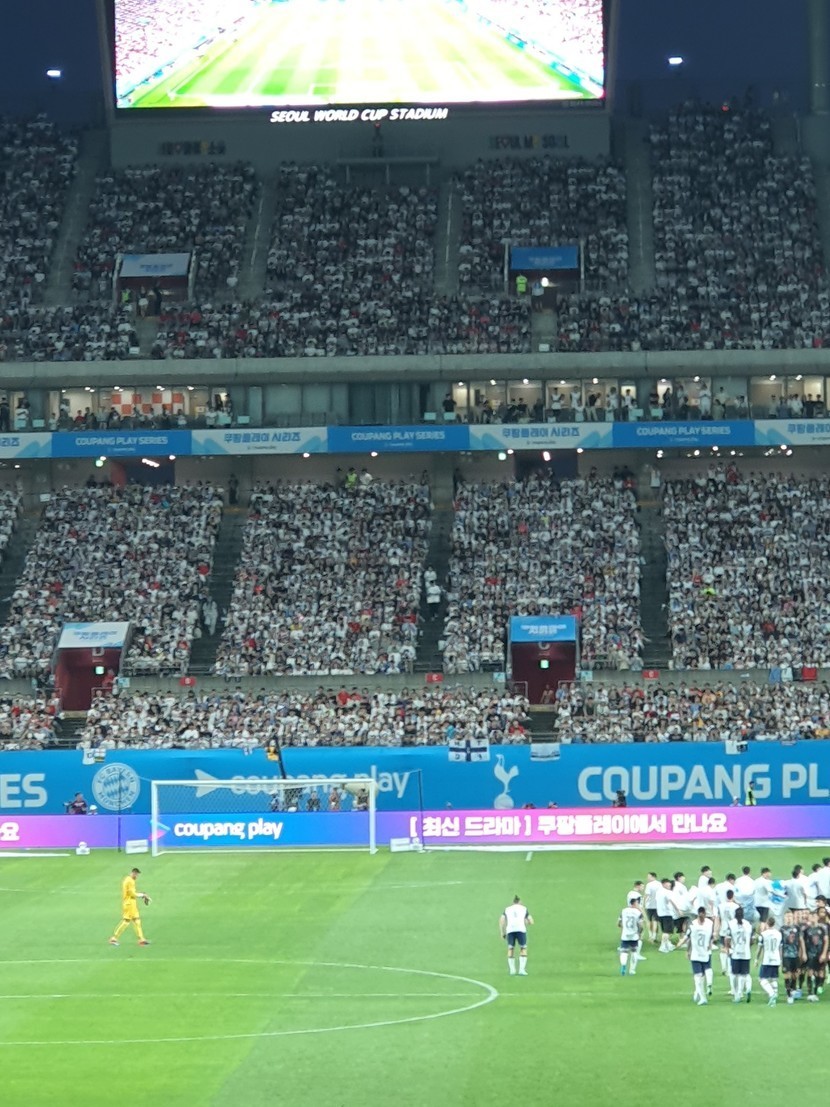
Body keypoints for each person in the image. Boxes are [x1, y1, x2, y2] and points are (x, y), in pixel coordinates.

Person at [109, 867, 151, 947]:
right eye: (137, 875)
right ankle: (114, 938)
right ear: (134, 873)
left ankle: (141, 939)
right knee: (126, 921)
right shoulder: (130, 881)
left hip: (131, 903)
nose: (137, 876)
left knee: (137, 921)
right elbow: (132, 894)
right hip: (129, 904)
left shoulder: (128, 880)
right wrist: (142, 895)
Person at [681, 906, 714, 1005]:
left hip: (697, 953)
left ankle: (702, 995)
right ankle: (707, 985)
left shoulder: (693, 925)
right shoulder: (709, 923)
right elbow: (712, 936)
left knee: (698, 975)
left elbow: (688, 938)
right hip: (705, 951)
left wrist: (686, 949)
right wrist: (710, 943)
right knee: (706, 970)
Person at [726, 906, 754, 1003]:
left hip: (735, 953)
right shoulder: (748, 924)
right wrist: (747, 946)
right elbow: (752, 940)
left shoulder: (731, 924)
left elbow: (727, 939)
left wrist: (729, 948)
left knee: (734, 974)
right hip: (746, 953)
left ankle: (737, 994)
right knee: (744, 974)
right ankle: (747, 988)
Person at [500, 894, 533, 976]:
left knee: (510, 948)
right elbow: (531, 921)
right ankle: (522, 970)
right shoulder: (524, 908)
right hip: (521, 930)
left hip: (510, 930)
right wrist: (526, 922)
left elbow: (502, 920)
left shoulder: (507, 909)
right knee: (523, 948)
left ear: (513, 902)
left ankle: (512, 970)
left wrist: (502, 932)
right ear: (520, 902)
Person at [755, 916, 783, 1007]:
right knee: (774, 978)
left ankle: (772, 994)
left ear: (767, 923)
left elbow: (759, 948)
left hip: (767, 959)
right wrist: (781, 960)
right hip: (776, 959)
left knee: (762, 979)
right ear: (774, 924)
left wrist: (756, 959)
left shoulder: (763, 934)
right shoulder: (779, 934)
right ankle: (774, 999)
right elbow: (780, 948)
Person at [801, 911, 829, 1002]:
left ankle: (815, 992)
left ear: (817, 917)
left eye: (814, 916)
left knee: (818, 973)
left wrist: (824, 953)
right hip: (810, 954)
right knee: (810, 972)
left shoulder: (823, 928)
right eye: (811, 916)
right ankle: (810, 993)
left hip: (819, 954)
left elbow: (826, 941)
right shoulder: (806, 929)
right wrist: (804, 953)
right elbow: (802, 941)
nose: (812, 918)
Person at [780, 910, 805, 1003]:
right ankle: (789, 995)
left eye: (790, 916)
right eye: (787, 917)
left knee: (795, 974)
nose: (789, 918)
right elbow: (780, 945)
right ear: (784, 918)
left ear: (793, 917)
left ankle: (793, 989)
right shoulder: (782, 929)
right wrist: (780, 957)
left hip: (795, 955)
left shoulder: (797, 928)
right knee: (787, 974)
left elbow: (801, 941)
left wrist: (803, 953)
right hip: (786, 955)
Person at [618, 894, 643, 976]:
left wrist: (622, 928)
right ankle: (632, 970)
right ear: (634, 903)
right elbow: (641, 925)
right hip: (634, 935)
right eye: (637, 903)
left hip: (625, 935)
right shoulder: (638, 913)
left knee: (624, 952)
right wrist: (639, 933)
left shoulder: (624, 911)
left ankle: (623, 965)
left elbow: (619, 923)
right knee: (634, 952)